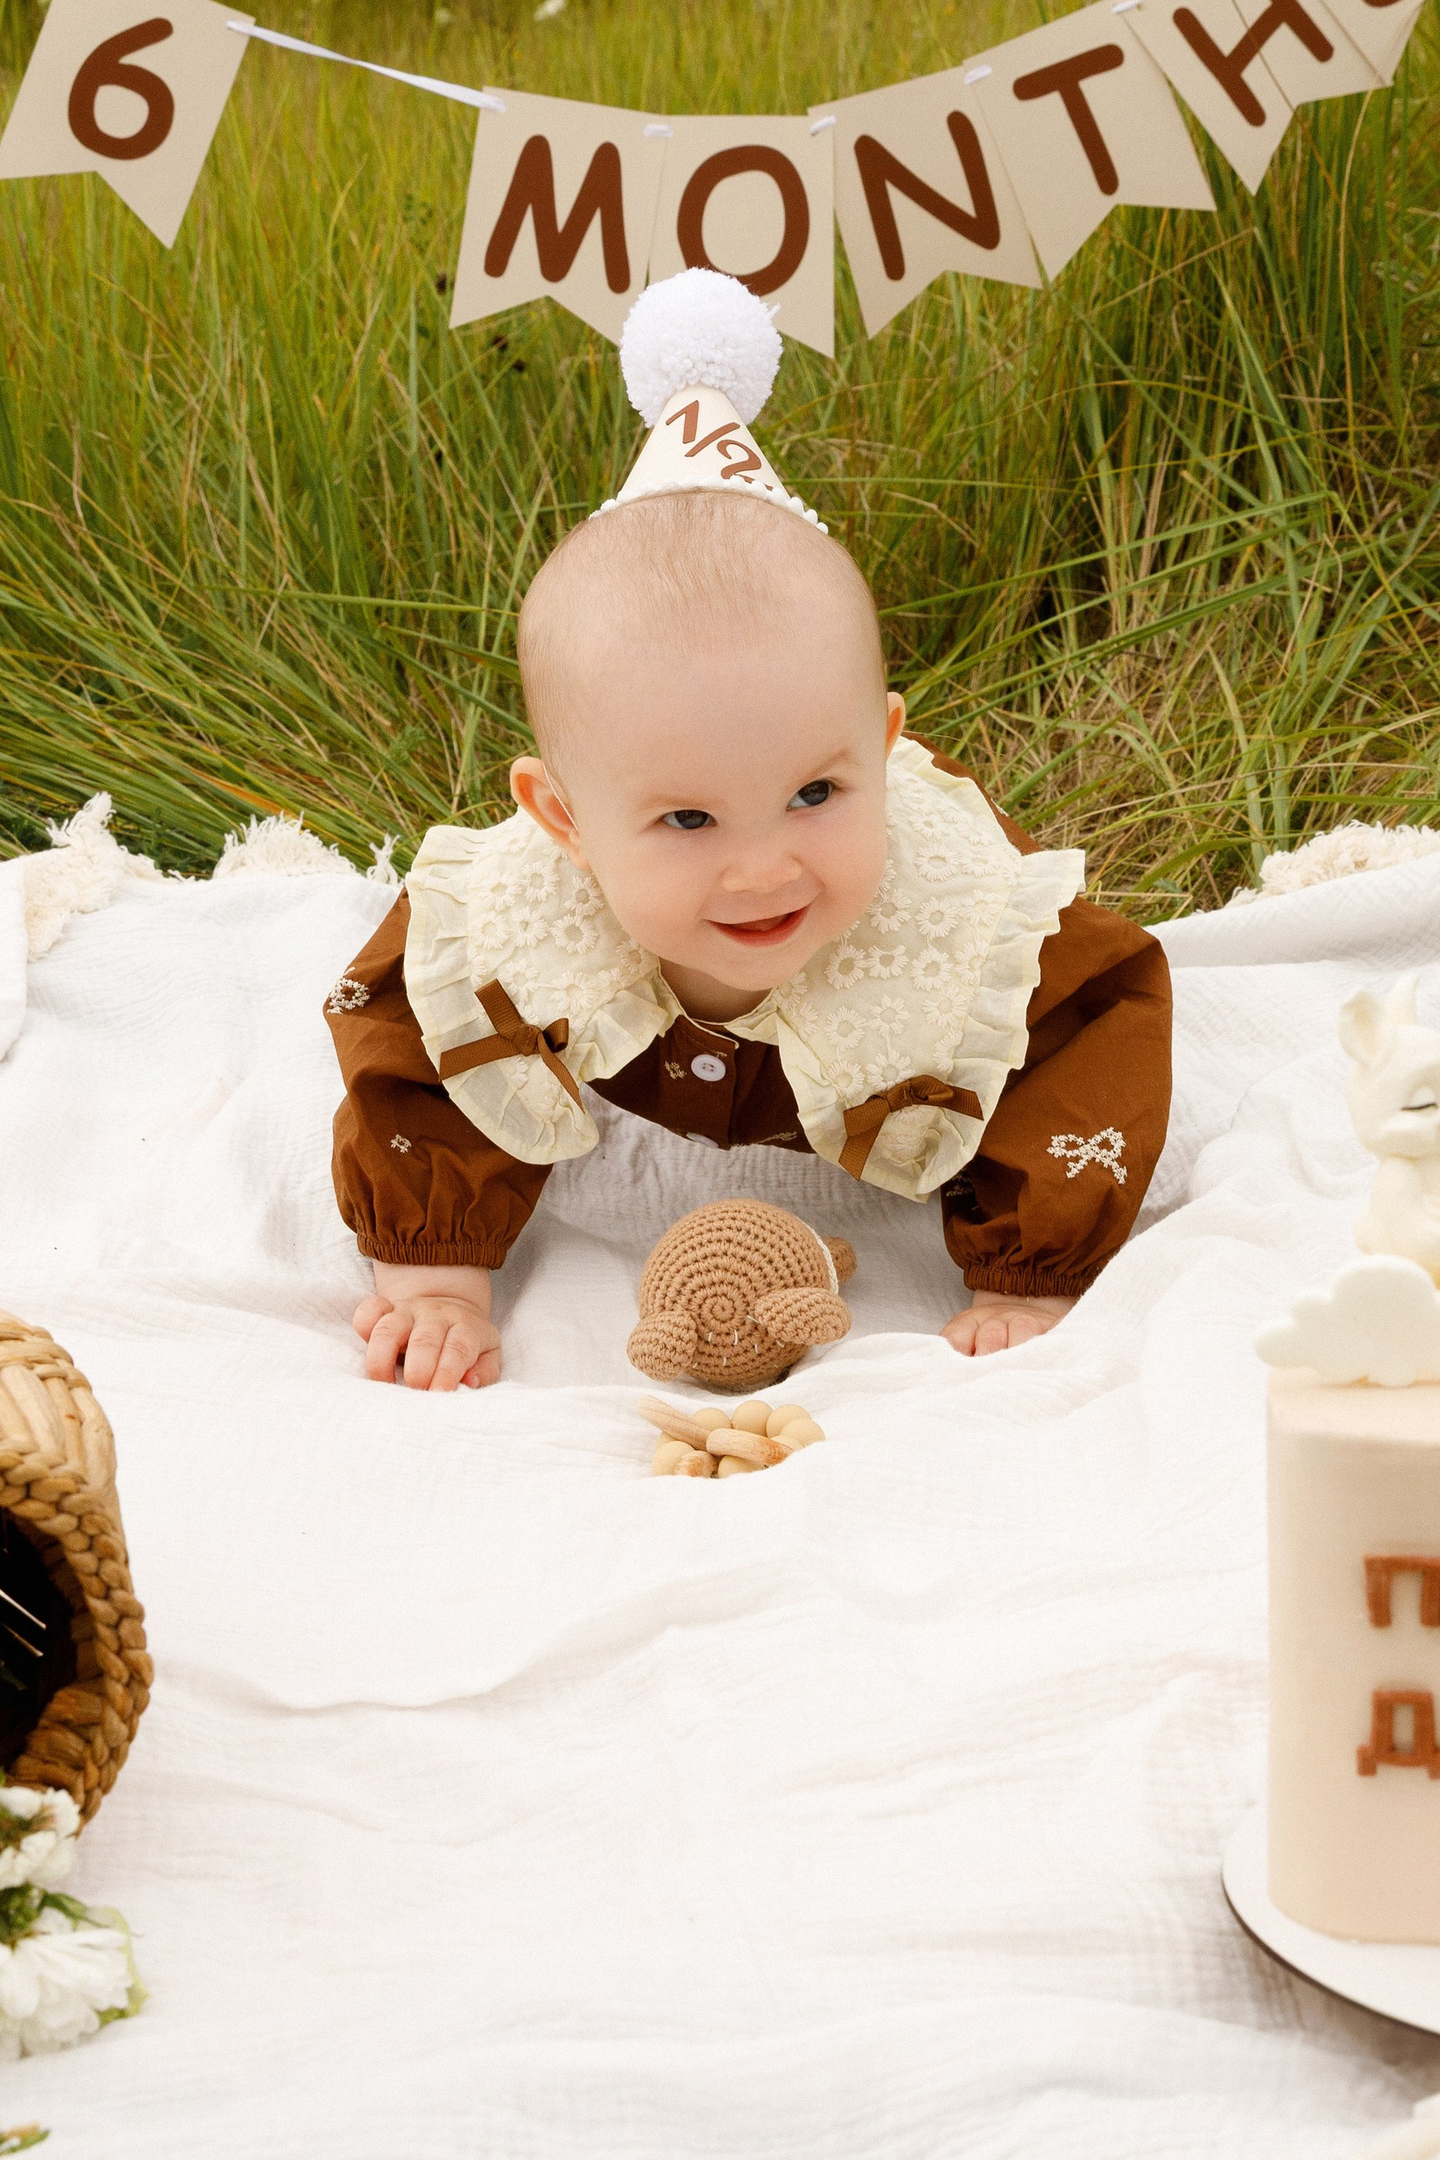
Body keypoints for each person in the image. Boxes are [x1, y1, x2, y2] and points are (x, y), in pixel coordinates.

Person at [325, 271, 1171, 1390]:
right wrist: (434, 1274)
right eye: (686, 817)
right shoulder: (512, 930)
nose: (765, 865)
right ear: (563, 819)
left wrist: (1030, 1270)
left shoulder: (962, 917)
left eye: (817, 793)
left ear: (880, 747)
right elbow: (416, 1058)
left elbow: (1086, 1039)